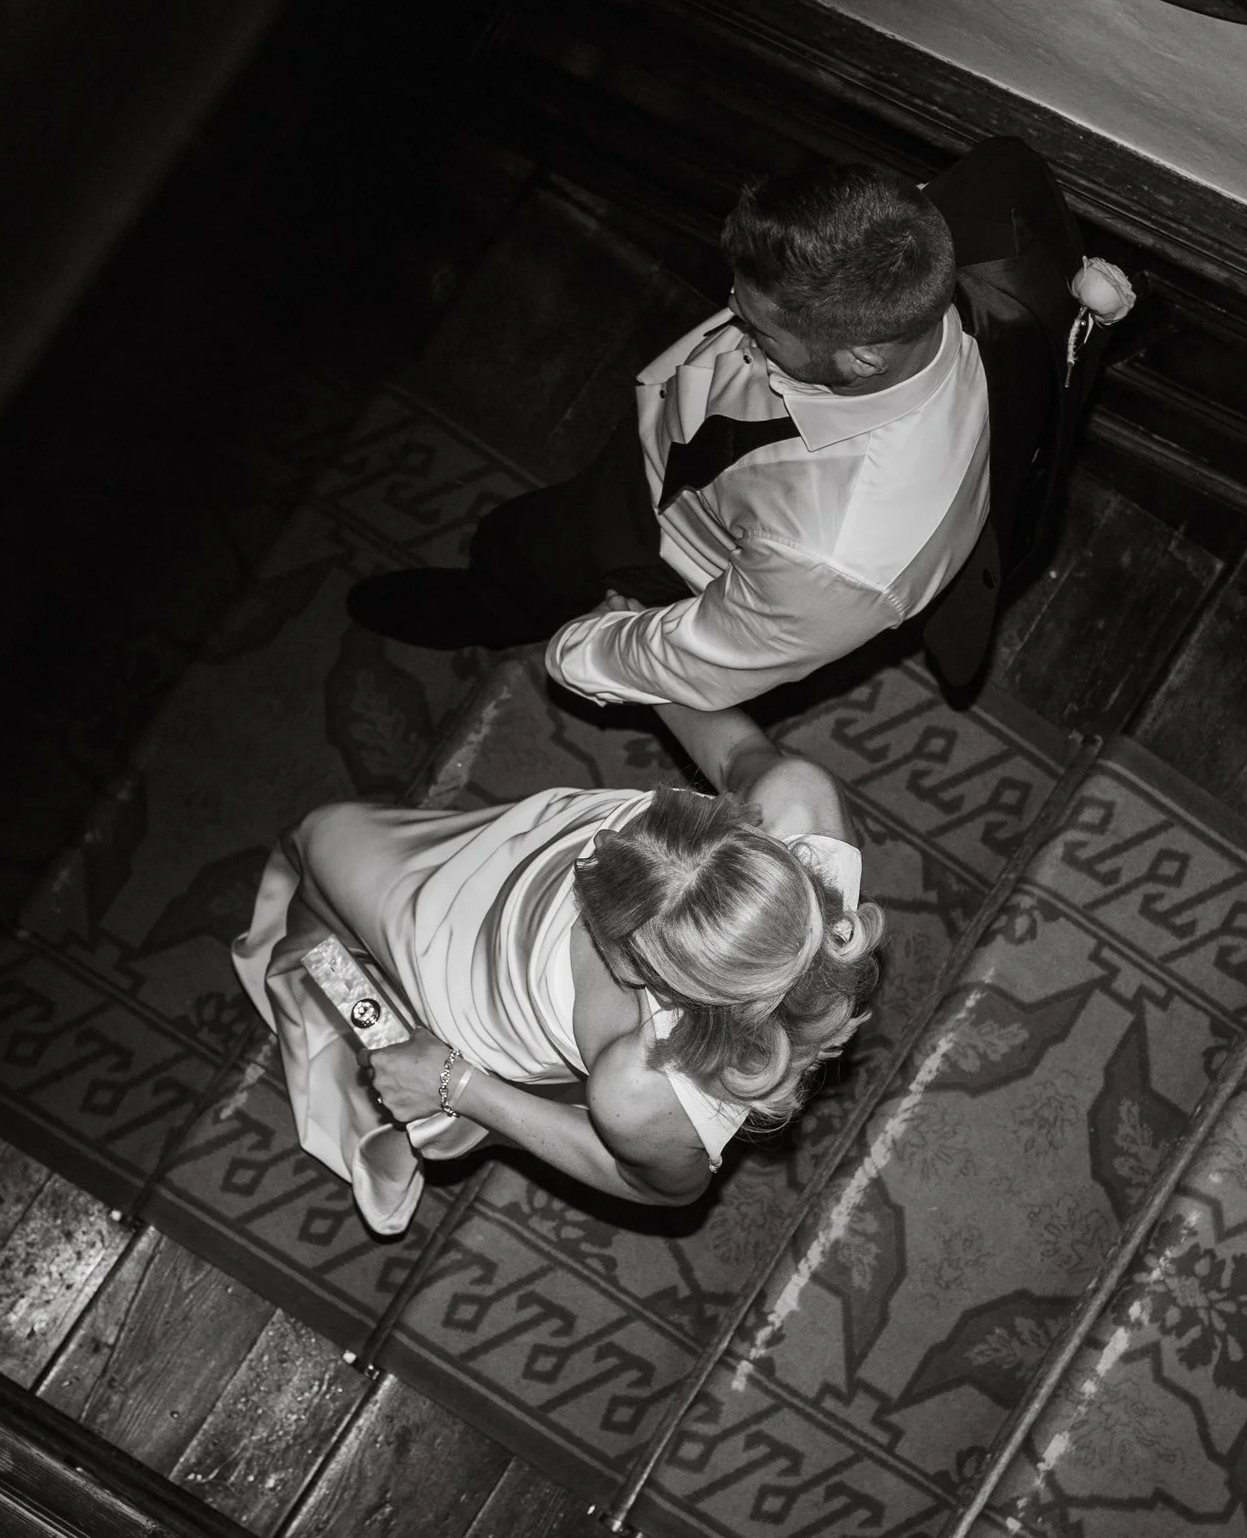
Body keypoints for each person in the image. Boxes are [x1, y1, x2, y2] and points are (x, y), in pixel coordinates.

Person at [230, 690, 886, 1232]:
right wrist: (638, 656)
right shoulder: (799, 801)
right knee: (347, 874)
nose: (590, 855)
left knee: (321, 842)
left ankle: (324, 969)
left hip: (475, 977)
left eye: (600, 917)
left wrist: (457, 1084)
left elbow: (660, 1188)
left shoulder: (638, 1087)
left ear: (637, 971)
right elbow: (739, 753)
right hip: (531, 854)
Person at [346, 161, 992, 711]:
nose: (732, 315)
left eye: (759, 328)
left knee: (523, 556)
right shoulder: (899, 250)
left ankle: (482, 609)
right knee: (529, 529)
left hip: (667, 551)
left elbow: (699, 660)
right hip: (671, 452)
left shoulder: (836, 559)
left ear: (863, 358)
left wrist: (582, 650)